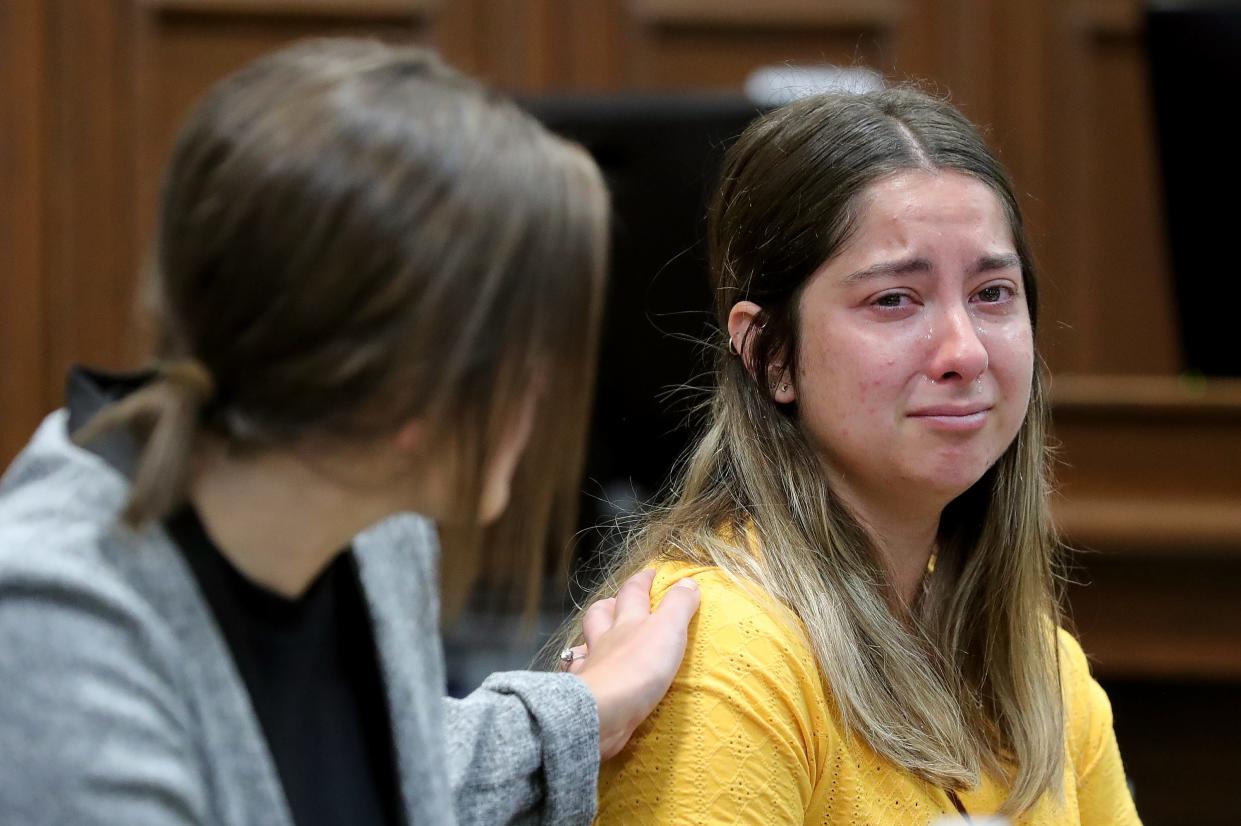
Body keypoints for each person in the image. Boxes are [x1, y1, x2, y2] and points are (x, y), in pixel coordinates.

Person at [0, 39, 700, 826]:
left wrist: (580, 711)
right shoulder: (53, 634)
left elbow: (389, 767)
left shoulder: (372, 527)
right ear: (405, 385)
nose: (541, 382)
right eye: (523, 345)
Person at [567, 88, 1143, 824]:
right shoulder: (720, 652)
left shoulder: (1043, 670)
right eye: (894, 300)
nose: (963, 352)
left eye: (992, 293)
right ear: (768, 354)